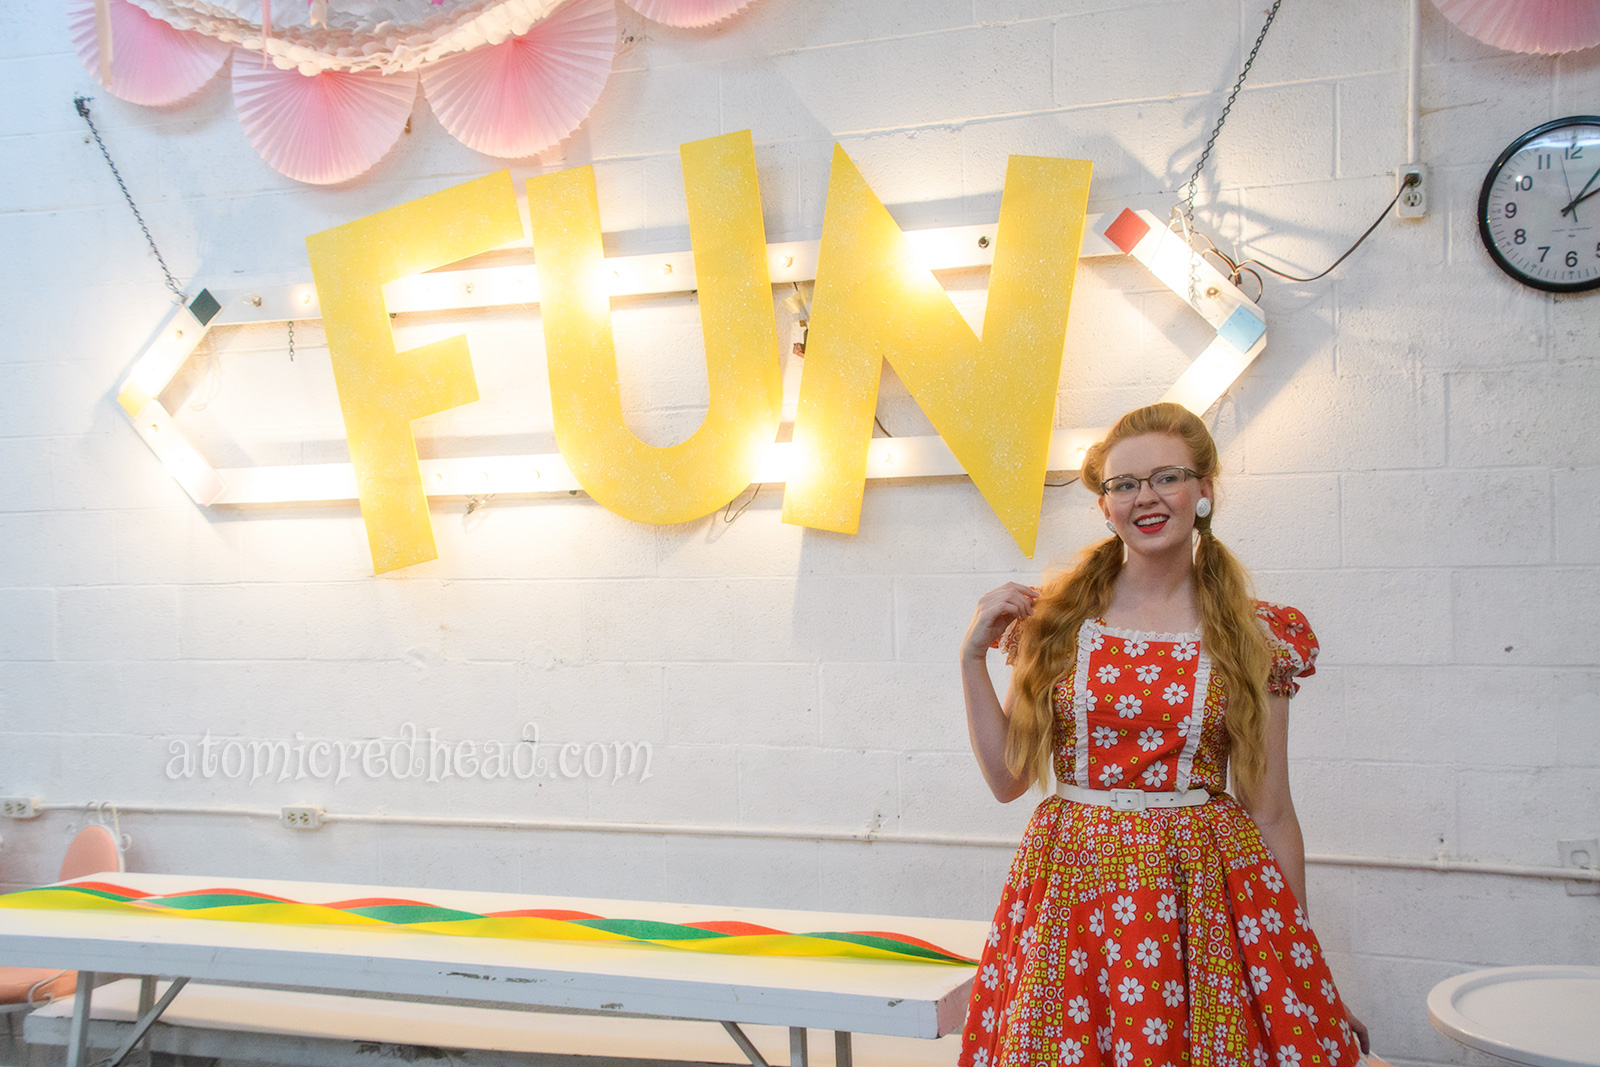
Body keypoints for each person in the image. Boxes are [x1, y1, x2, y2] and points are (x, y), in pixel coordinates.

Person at [957, 403, 1368, 1067]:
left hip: (1201, 896)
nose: (1144, 497)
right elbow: (1008, 780)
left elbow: (1271, 811)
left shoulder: (1254, 634)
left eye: (1165, 477)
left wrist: (1300, 970)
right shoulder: (1057, 622)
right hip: (1074, 889)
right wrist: (971, 657)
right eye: (1123, 484)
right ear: (1105, 506)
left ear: (1204, 490)